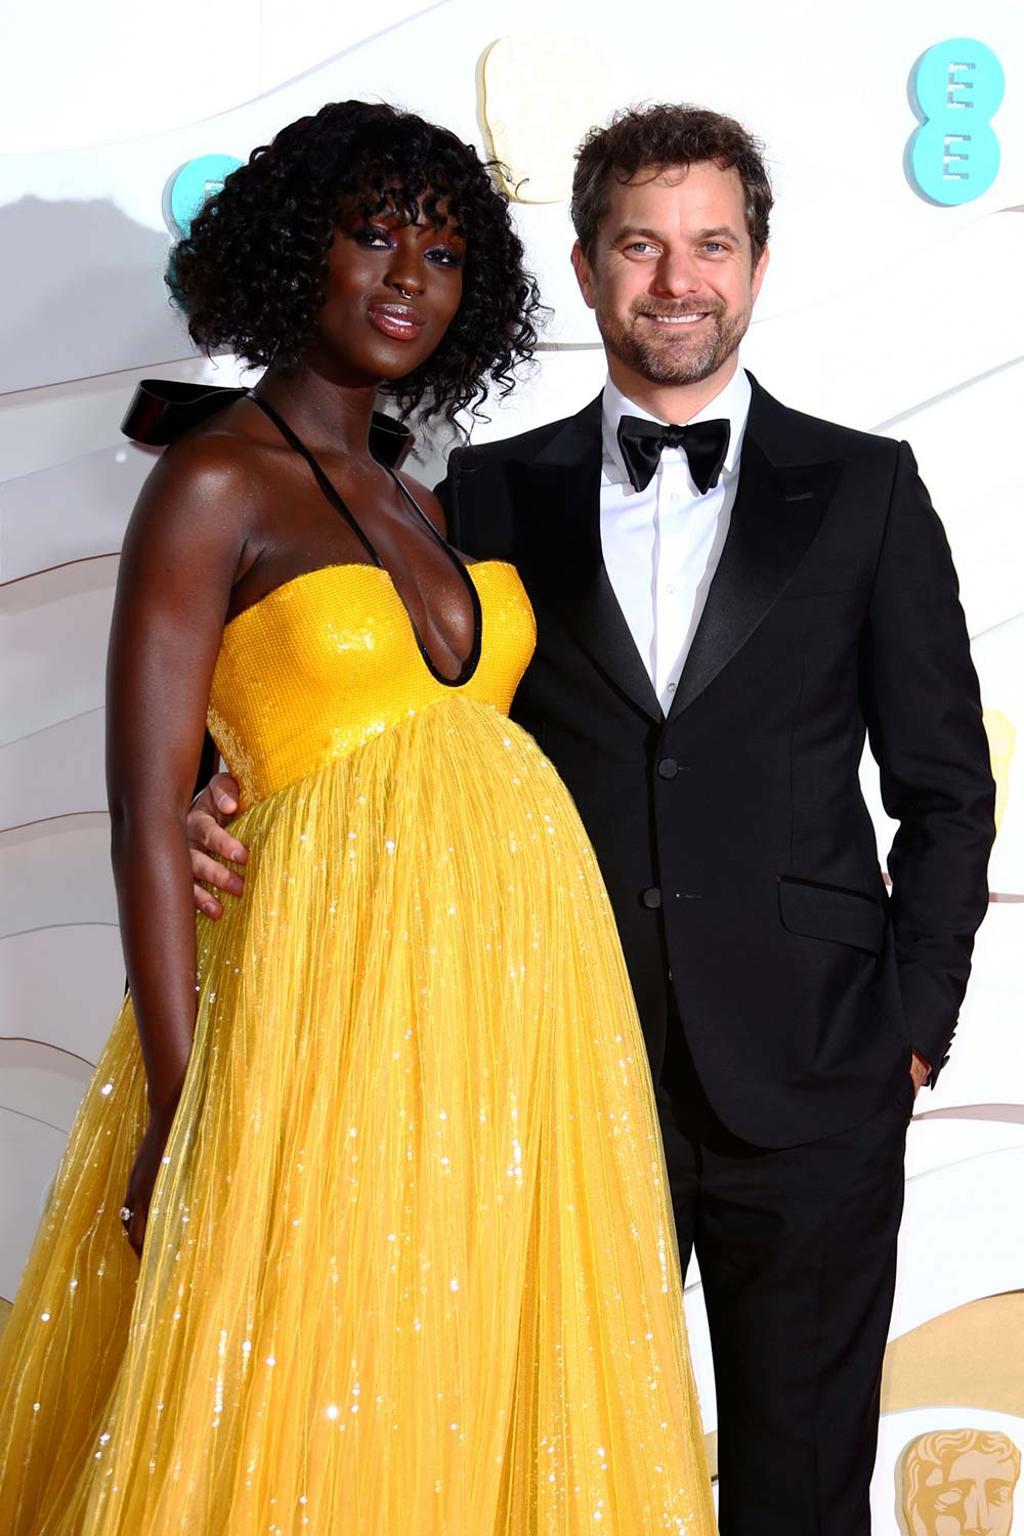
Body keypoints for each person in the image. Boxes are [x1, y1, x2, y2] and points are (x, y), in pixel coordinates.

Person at [188, 102, 997, 1536]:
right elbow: (379, 697)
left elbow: (945, 787)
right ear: (584, 267)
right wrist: (219, 780)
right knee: (542, 1477)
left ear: (756, 264)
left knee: (803, 1487)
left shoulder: (868, 490)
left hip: (816, 1075)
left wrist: (910, 1028)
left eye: (711, 245)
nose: (677, 280)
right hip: (549, 1063)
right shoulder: (484, 494)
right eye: (642, 244)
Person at [0, 102, 717, 1535]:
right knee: (295, 1365)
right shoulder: (214, 482)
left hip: (501, 1031)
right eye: (373, 232)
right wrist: (179, 1100)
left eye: (444, 251)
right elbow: (150, 814)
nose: (407, 275)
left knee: (434, 1362)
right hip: (313, 1025)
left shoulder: (425, 502)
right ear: (294, 251)